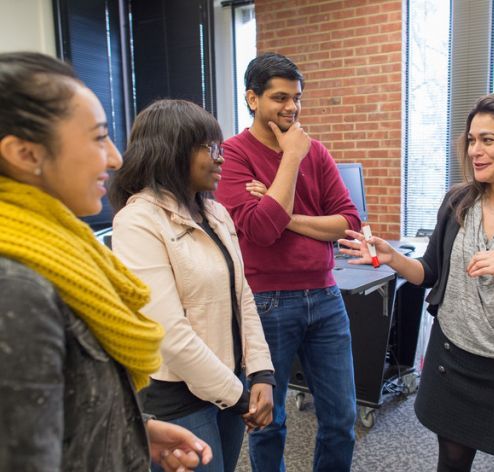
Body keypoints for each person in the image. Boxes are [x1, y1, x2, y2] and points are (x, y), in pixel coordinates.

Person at [338, 91, 494, 472]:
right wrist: (393, 258)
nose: (474, 151)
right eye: (471, 140)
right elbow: (429, 272)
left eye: (488, 140)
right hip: (454, 356)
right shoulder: (459, 201)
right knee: (450, 459)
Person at [0, 52, 212, 471]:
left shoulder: (64, 251)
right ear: (25, 154)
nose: (115, 158)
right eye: (98, 138)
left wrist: (136, 428)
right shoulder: (18, 289)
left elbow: (59, 402)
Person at [108, 99, 275, 472]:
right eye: (210, 148)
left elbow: (242, 295)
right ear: (173, 150)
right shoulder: (137, 221)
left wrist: (261, 372)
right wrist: (240, 397)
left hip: (227, 383)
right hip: (181, 398)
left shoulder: (215, 212)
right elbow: (169, 333)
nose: (221, 158)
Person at [215, 52, 362, 472]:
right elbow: (260, 230)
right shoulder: (234, 154)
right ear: (252, 98)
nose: (291, 108)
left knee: (341, 420)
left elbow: (348, 222)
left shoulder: (315, 151)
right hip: (267, 302)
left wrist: (288, 217)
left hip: (325, 296)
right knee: (268, 421)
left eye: (296, 98)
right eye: (280, 98)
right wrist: (291, 157)